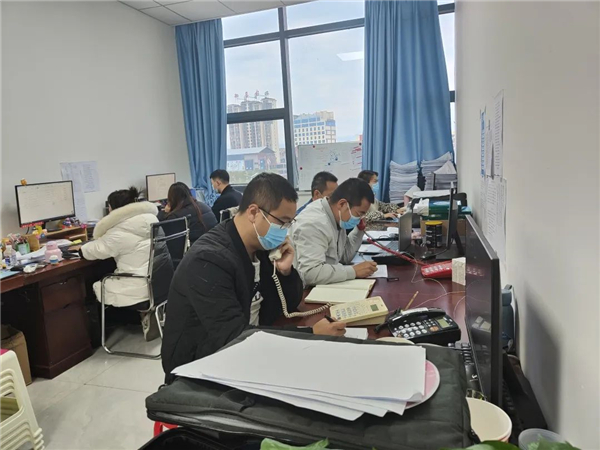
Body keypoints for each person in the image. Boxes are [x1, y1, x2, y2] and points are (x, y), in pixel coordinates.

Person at [161, 173, 346, 377]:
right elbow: (233, 338)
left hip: (251, 349)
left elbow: (290, 304)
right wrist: (311, 334)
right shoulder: (208, 261)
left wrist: (285, 272)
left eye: (289, 224)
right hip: (201, 367)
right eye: (282, 222)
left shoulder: (260, 247)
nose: (285, 232)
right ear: (253, 212)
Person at [81, 187, 169, 341]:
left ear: (114, 209)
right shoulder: (152, 219)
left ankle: (94, 339)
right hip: (159, 282)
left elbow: (95, 251)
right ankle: (147, 315)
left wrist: (80, 250)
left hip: (137, 286)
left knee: (92, 285)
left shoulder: (118, 230)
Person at [291, 178, 378, 286]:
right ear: (342, 204)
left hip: (322, 284)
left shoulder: (337, 216)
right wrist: (354, 271)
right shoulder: (313, 223)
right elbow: (310, 273)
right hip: (305, 290)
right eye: (360, 213)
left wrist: (359, 231)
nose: (361, 218)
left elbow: (344, 256)